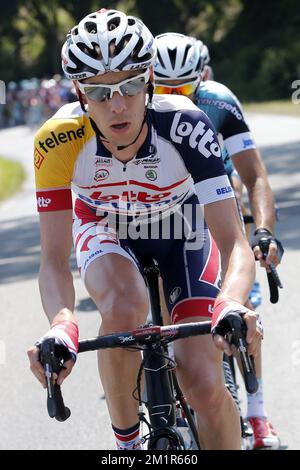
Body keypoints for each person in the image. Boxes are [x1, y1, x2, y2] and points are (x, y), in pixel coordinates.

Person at [27, 9, 262, 450]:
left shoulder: (186, 125)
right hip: (106, 229)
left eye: (131, 85)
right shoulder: (57, 140)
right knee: (123, 306)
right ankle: (128, 446)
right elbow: (53, 260)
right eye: (99, 92)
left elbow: (234, 244)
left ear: (150, 78)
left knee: (204, 383)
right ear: (78, 91)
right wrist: (61, 326)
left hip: (183, 229)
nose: (117, 104)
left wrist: (230, 303)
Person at [153, 32, 282, 450]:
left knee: (243, 311)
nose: (176, 99)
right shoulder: (138, 107)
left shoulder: (220, 101)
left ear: (202, 79)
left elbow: (254, 175)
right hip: (163, 212)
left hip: (216, 199)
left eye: (184, 89)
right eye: (164, 90)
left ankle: (258, 416)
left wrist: (263, 231)